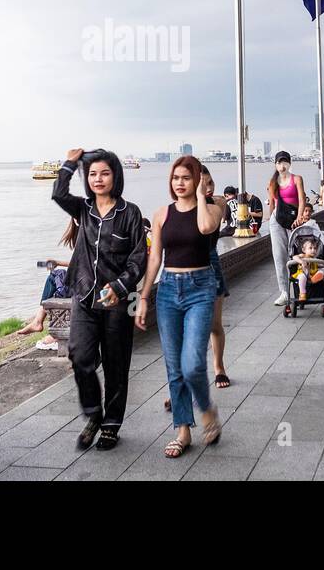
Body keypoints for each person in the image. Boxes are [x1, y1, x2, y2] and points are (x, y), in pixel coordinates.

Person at [51, 147, 147, 450]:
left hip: (117, 302)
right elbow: (58, 193)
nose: (98, 179)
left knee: (117, 365)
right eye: (92, 174)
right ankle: (93, 413)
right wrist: (69, 163)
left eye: (104, 173)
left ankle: (111, 424)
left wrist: (119, 287)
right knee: (80, 357)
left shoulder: (130, 213)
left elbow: (138, 258)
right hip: (84, 296)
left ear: (115, 176)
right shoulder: (83, 209)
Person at [136, 156, 224, 458]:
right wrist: (144, 297)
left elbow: (204, 228)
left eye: (187, 177)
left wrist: (200, 195)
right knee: (174, 368)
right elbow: (155, 259)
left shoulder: (213, 207)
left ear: (198, 179)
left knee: (192, 364)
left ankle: (207, 409)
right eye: (176, 178)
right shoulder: (161, 214)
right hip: (169, 291)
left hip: (201, 288)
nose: (180, 183)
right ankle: (183, 430)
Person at [200, 169, 232, 389]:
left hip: (210, 261)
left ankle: (219, 366)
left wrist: (201, 196)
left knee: (214, 324)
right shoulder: (181, 207)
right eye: (203, 184)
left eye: (211, 182)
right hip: (186, 268)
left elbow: (207, 226)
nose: (209, 187)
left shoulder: (218, 204)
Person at [266, 151, 309, 305]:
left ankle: (302, 288)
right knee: (279, 256)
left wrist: (299, 217)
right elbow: (272, 203)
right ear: (275, 165)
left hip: (293, 221)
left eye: (284, 162)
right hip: (276, 221)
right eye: (279, 162)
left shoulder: (297, 179)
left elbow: (302, 199)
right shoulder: (273, 182)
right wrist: (270, 218)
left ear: (289, 163)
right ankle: (284, 292)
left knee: (297, 254)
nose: (282, 165)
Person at [16, 255, 70, 350]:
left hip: (86, 290)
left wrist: (58, 263)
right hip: (90, 286)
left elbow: (81, 264)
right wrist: (57, 263)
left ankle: (39, 323)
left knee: (55, 275)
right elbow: (83, 264)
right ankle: (38, 322)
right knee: (58, 275)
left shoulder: (89, 242)